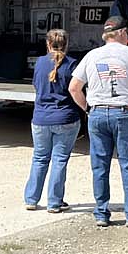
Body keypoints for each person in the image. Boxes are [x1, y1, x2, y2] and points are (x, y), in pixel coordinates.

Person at [69, 15, 128, 229]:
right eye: (126, 32)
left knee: (99, 166)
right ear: (121, 33)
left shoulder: (92, 55)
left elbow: (74, 87)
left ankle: (101, 213)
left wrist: (88, 109)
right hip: (124, 114)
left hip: (98, 114)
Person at [23, 29, 82, 213]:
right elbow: (76, 89)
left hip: (41, 118)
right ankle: (54, 202)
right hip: (65, 117)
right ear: (66, 44)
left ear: (48, 44)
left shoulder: (40, 63)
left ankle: (31, 199)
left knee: (39, 158)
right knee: (59, 160)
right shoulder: (72, 64)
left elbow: (35, 85)